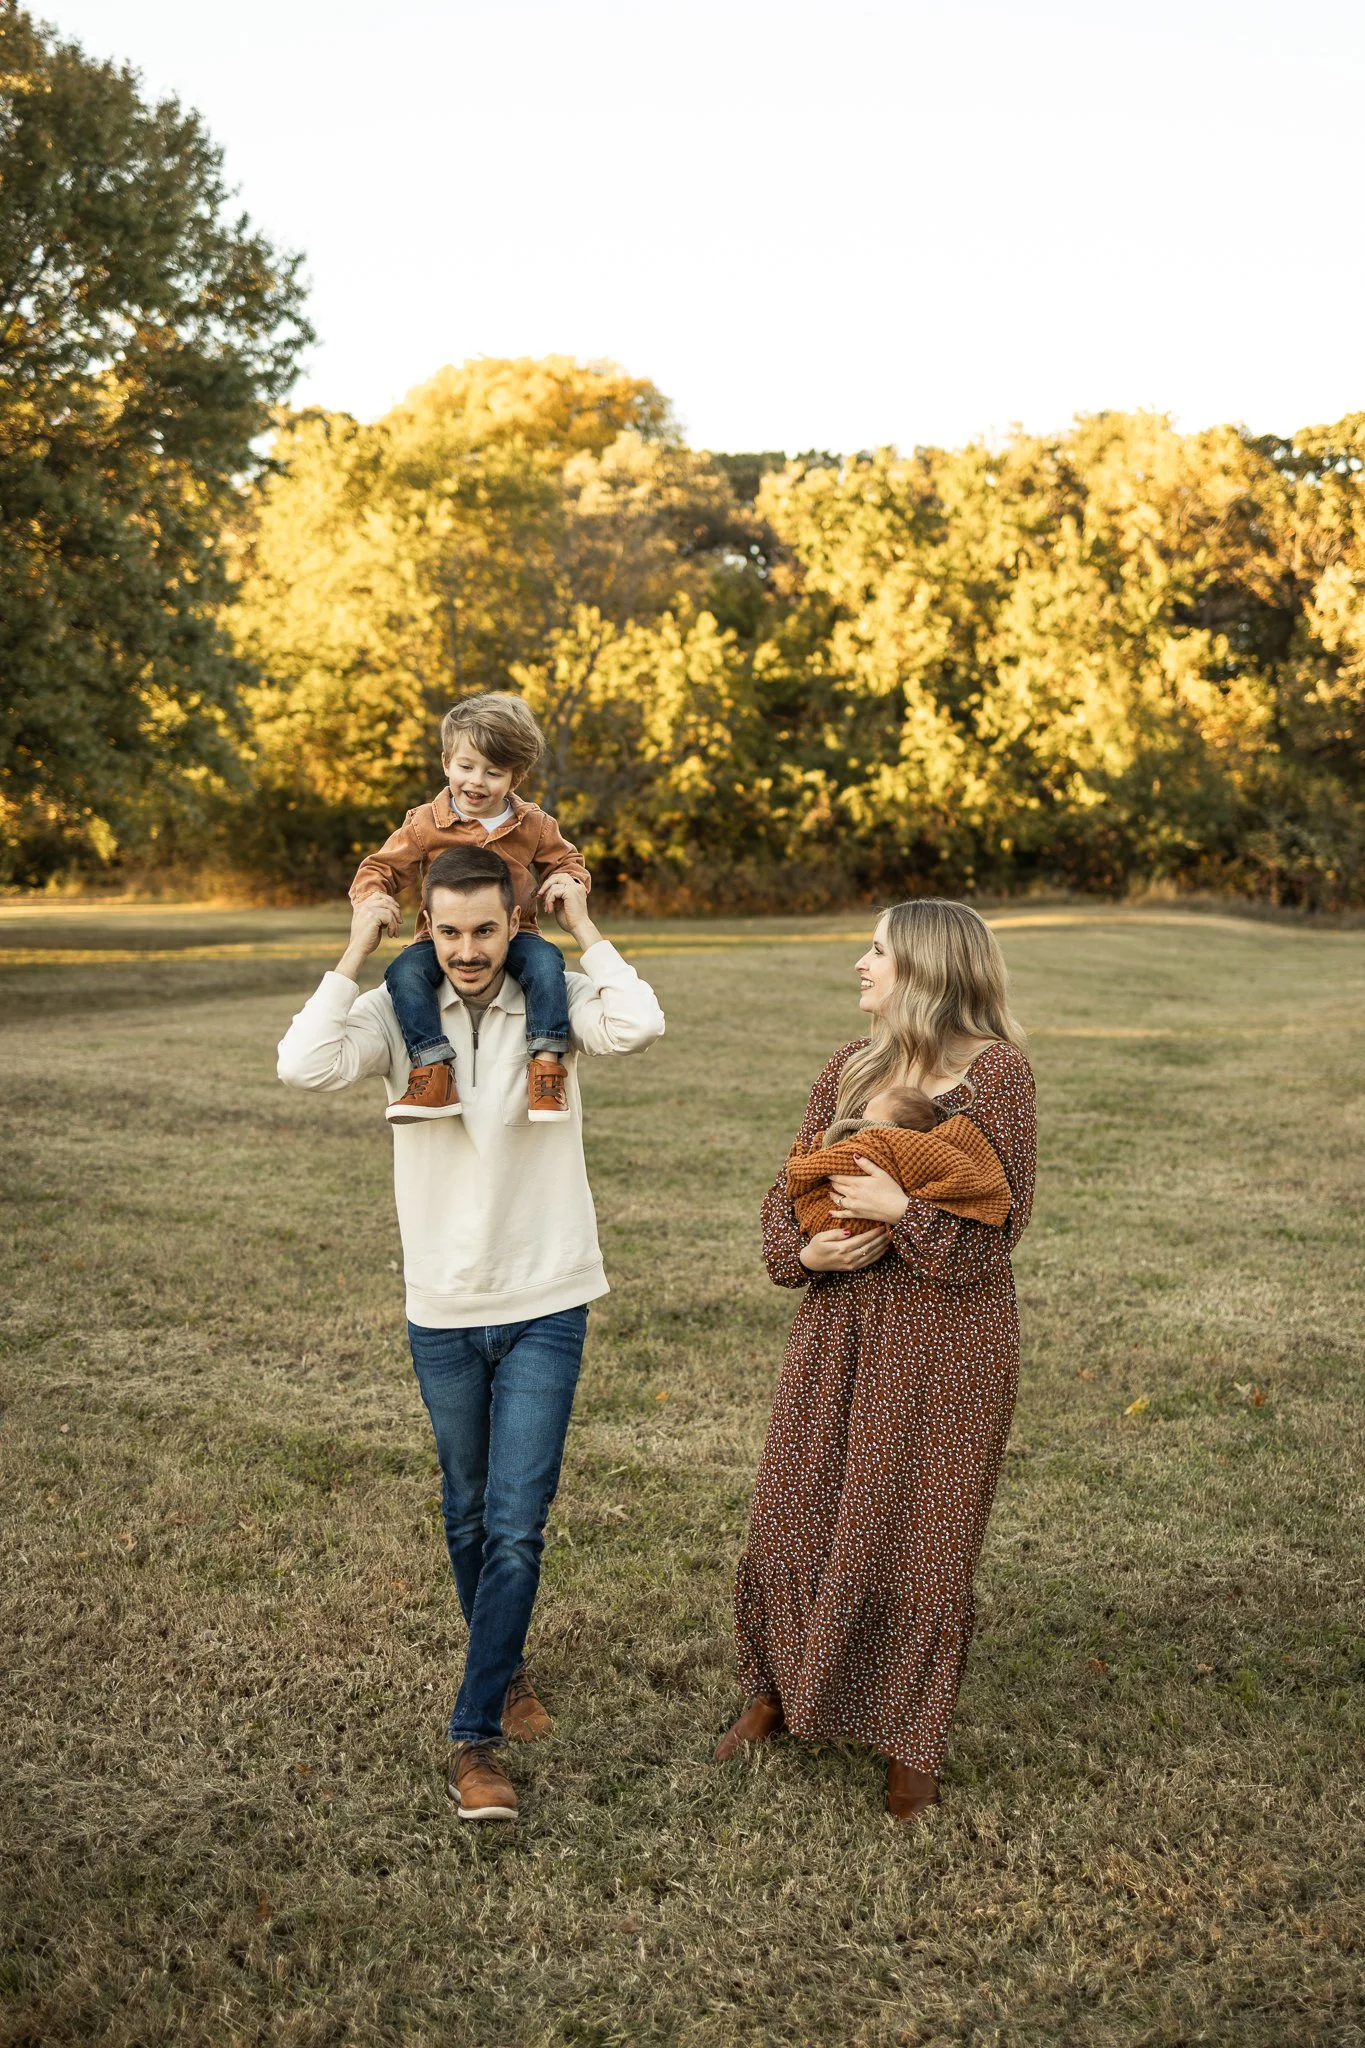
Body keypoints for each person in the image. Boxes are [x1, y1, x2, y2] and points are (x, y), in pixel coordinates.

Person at [276, 844, 665, 1822]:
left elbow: (638, 1022)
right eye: (448, 931)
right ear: (426, 930)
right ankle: (508, 1668)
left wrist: (585, 929)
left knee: (515, 1521)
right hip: (444, 1307)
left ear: (513, 925)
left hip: (547, 1296)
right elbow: (302, 1062)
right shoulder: (396, 1011)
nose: (468, 949)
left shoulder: (554, 998)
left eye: (486, 929)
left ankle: (472, 1737)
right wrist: (357, 946)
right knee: (465, 1511)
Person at [716, 898, 1036, 1821]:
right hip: (840, 1323)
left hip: (946, 1337)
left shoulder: (995, 1076)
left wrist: (903, 1213)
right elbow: (789, 1190)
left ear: (927, 969)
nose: (860, 964)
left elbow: (1000, 1225)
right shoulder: (847, 1068)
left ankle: (910, 1741)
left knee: (922, 1532)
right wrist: (806, 1252)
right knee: (796, 1507)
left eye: (877, 950)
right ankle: (776, 1691)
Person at [349, 692, 591, 1126]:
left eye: (493, 772)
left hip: (516, 934)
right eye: (466, 767)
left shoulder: (534, 825)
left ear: (515, 777)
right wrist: (372, 898)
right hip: (440, 938)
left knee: (546, 964)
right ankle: (432, 1069)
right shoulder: (425, 823)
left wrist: (567, 881)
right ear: (446, 763)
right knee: (404, 972)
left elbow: (568, 861)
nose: (476, 782)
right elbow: (380, 867)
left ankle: (546, 1065)